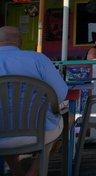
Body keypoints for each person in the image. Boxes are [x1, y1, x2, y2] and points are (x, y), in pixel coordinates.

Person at [0, 26, 68, 176]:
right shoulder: (37, 59)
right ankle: (34, 171)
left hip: (1, 134)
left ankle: (16, 171)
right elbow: (61, 94)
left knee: (5, 121)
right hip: (39, 132)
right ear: (20, 42)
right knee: (58, 124)